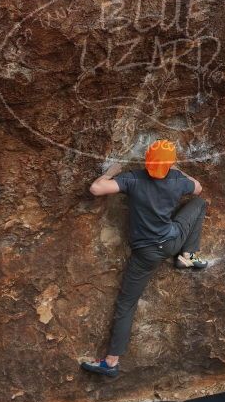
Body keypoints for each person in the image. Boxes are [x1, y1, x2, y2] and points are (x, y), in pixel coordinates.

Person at [80, 139, 209, 377]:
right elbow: (198, 188)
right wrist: (177, 169)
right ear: (169, 164)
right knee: (199, 204)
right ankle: (188, 256)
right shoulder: (178, 181)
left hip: (145, 253)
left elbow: (96, 189)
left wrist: (111, 171)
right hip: (172, 242)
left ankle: (111, 362)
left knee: (126, 304)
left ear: (148, 161)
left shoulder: (133, 179)